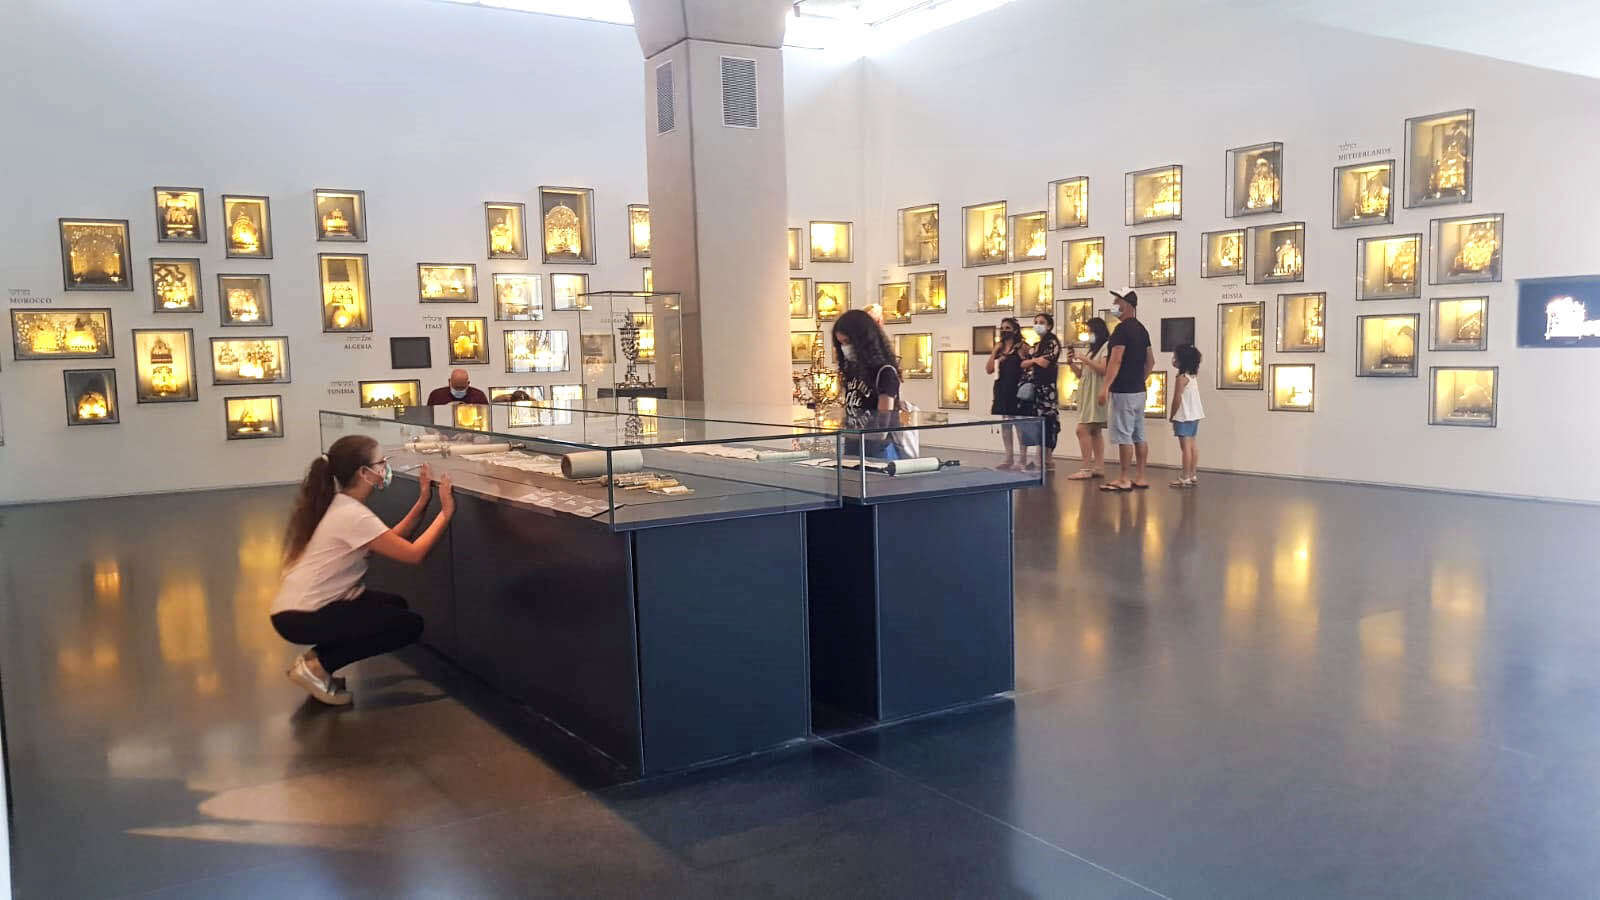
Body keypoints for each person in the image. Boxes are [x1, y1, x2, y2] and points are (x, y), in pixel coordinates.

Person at [271, 435, 455, 705]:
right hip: (302, 616)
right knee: (407, 625)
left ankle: (314, 663)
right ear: (364, 472)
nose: (385, 468)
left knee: (394, 606)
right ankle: (318, 666)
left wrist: (423, 500)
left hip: (297, 610)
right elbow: (413, 554)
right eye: (381, 463)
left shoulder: (341, 505)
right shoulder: (352, 514)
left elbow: (391, 539)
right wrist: (446, 512)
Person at [1097, 289, 1154, 492]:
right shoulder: (1142, 329)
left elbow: (1116, 360)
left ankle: (1123, 478)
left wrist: (1105, 386)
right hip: (1139, 391)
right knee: (1139, 434)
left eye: (1117, 301)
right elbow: (1151, 361)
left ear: (1127, 305)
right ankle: (1141, 476)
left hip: (1123, 392)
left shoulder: (1121, 330)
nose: (1114, 305)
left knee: (1124, 435)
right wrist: (1139, 379)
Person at [832, 308, 903, 458]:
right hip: (853, 445)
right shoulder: (852, 370)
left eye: (847, 342)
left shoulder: (885, 372)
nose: (844, 348)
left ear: (862, 341)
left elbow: (883, 425)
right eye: (841, 343)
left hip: (877, 449)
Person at [1065, 317, 1112, 480]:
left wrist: (1084, 359)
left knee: (1082, 429)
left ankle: (1086, 467)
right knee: (1095, 431)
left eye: (1089, 331)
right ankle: (1098, 466)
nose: (1087, 334)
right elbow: (1082, 374)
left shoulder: (1106, 347)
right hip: (1087, 393)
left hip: (1096, 393)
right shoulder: (1092, 350)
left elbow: (1103, 369)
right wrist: (1071, 363)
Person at [1018, 311, 1062, 472]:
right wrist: (1035, 360)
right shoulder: (1036, 345)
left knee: (1048, 422)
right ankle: (1038, 459)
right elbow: (1023, 364)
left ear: (1049, 325)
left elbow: (1045, 362)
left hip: (1046, 390)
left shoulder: (1052, 342)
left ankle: (1046, 459)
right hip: (1034, 390)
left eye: (1041, 322)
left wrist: (1033, 360)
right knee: (1034, 422)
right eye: (1036, 322)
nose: (1038, 325)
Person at [986, 317, 1029, 470]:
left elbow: (1029, 366)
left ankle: (1022, 459)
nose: (1004, 331)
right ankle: (1009, 457)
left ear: (1015, 330)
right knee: (1006, 425)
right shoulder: (1000, 348)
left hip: (1017, 389)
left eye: (1008, 328)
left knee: (1019, 425)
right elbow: (989, 369)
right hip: (1002, 388)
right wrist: (994, 352)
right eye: (1002, 328)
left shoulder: (1022, 347)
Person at [1169, 344, 1205, 488]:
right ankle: (1192, 474)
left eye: (1175, 357)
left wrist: (1172, 415)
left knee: (1185, 448)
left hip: (1183, 415)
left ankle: (1185, 477)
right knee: (1192, 445)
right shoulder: (1192, 376)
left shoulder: (1181, 378)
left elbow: (1177, 399)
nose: (1173, 359)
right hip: (1194, 414)